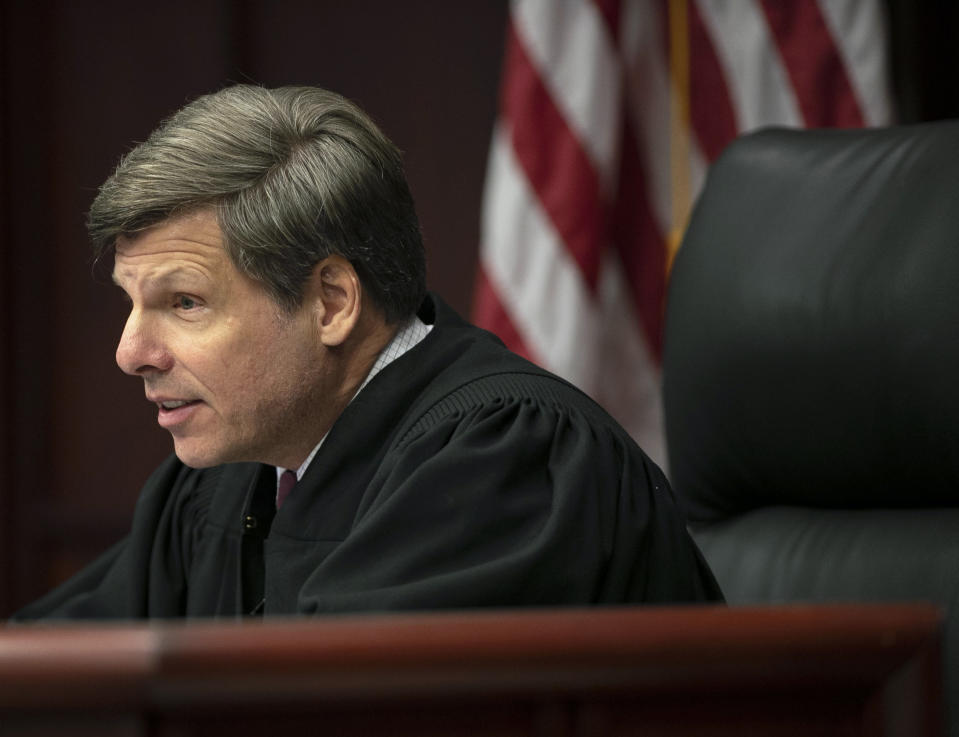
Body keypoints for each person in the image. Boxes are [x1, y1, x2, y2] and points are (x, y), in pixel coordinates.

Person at [15, 85, 721, 619]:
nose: (131, 351)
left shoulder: (502, 465)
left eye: (184, 302)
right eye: (131, 302)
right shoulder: (230, 478)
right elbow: (54, 671)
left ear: (331, 303)